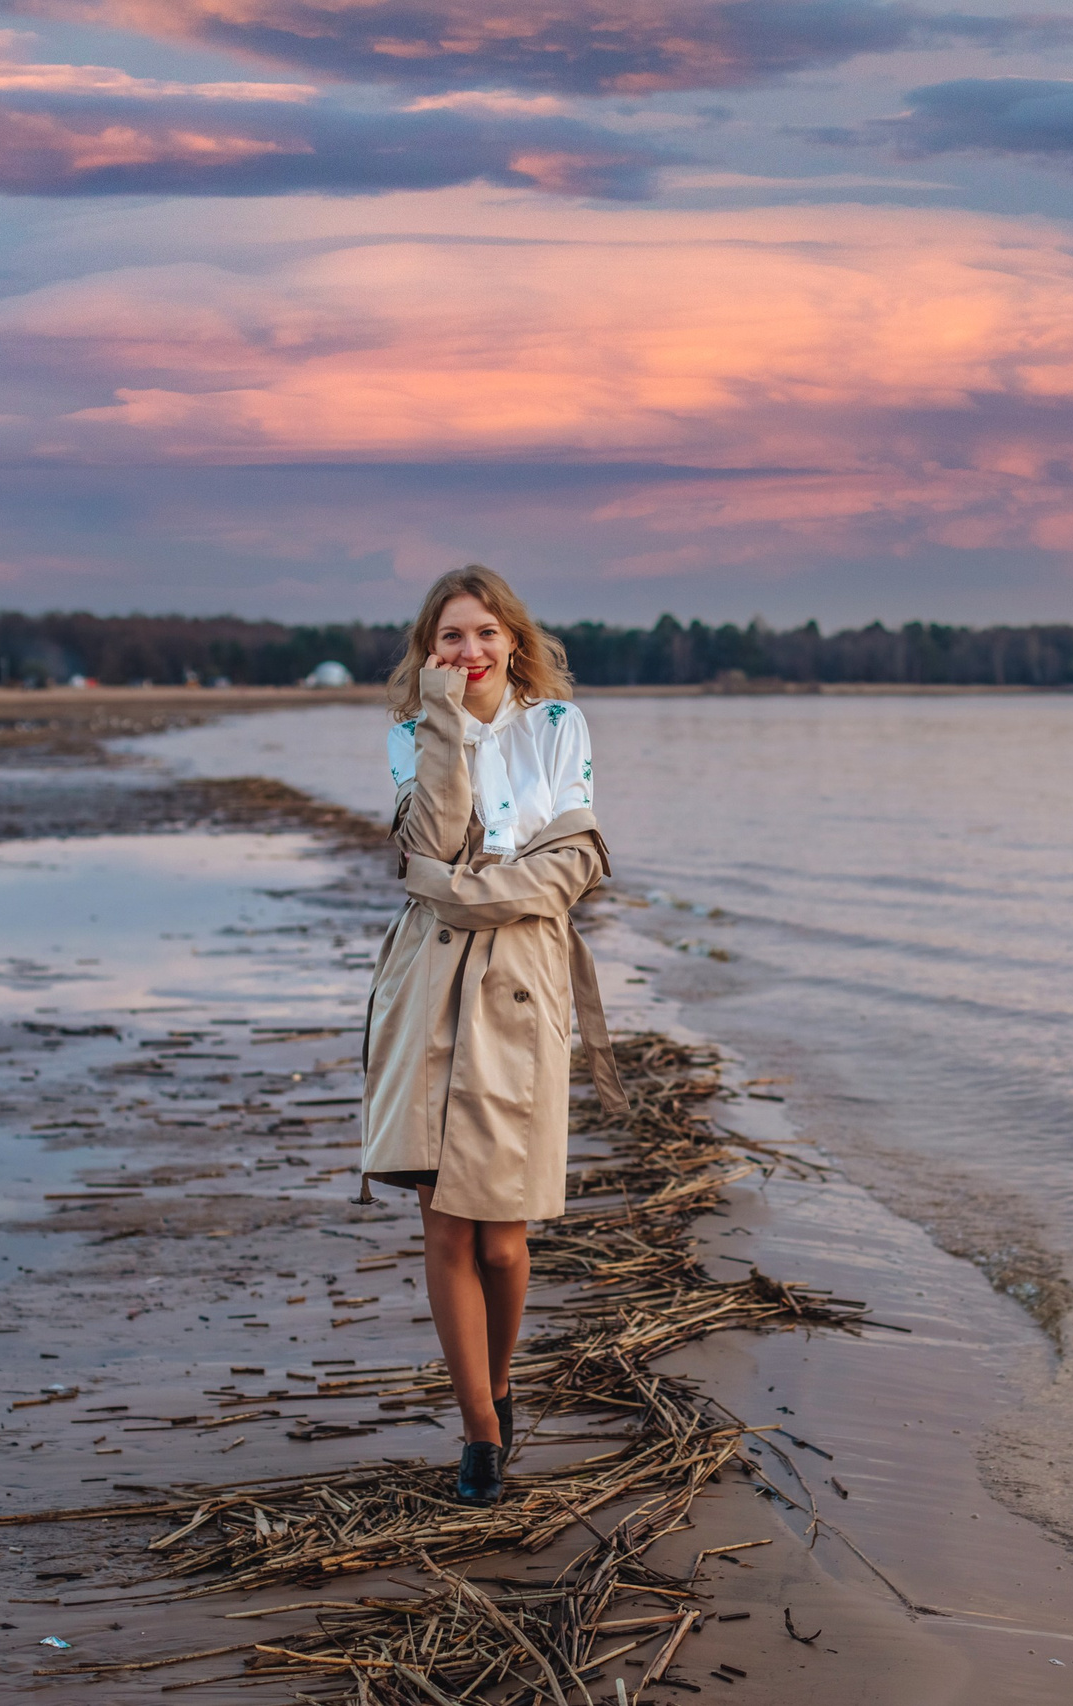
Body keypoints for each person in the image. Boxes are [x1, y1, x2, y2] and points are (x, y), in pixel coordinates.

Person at [358, 565, 626, 1506]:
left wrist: (455, 889)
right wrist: (442, 725)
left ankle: (502, 1385)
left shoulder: (559, 728)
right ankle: (478, 1430)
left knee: (504, 1238)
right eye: (449, 639)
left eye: (482, 634)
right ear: (429, 653)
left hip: (521, 981)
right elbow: (430, 837)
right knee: (443, 1226)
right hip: (428, 983)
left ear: (514, 638)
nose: (468, 652)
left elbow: (569, 871)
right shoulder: (409, 734)